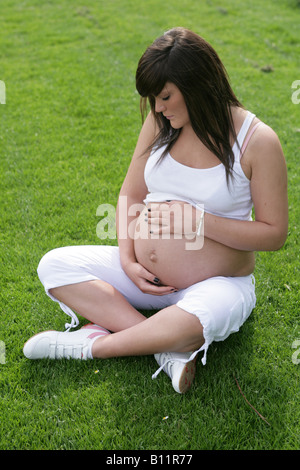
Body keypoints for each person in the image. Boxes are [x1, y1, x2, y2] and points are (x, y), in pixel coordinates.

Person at [23, 28, 288, 394]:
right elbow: (130, 195)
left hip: (218, 285)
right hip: (147, 280)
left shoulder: (258, 142)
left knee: (200, 317)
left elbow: (274, 233)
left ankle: (92, 346)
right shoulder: (160, 123)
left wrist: (197, 222)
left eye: (165, 96)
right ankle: (167, 347)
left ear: (198, 83)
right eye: (154, 98)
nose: (159, 107)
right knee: (54, 266)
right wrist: (130, 261)